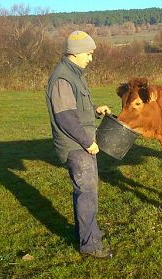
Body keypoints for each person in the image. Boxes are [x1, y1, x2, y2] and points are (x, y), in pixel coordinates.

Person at [45, 31, 113, 259]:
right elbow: (65, 118)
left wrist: (95, 111)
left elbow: (77, 110)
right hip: (76, 145)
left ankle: (88, 231)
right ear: (75, 53)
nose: (91, 58)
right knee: (86, 192)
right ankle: (90, 245)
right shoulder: (63, 78)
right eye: (89, 53)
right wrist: (88, 142)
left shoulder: (75, 74)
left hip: (82, 142)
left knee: (88, 191)